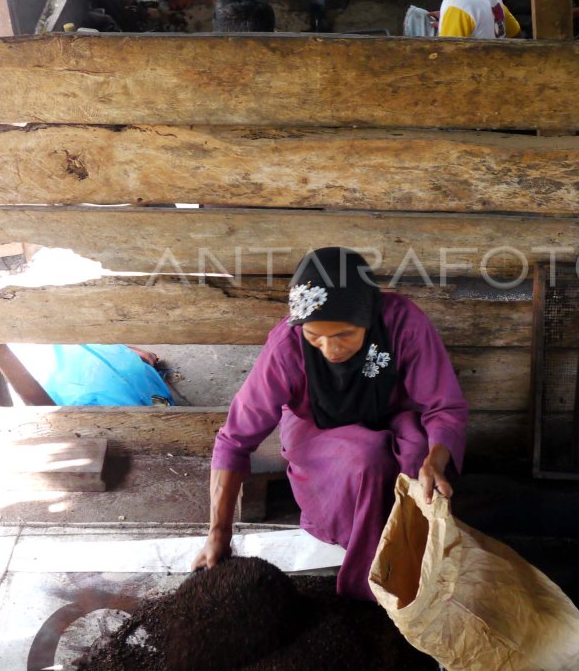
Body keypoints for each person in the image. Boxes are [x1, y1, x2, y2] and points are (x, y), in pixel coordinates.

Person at [192, 247, 468, 601]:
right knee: (366, 459)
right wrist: (218, 535)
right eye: (314, 337)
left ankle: (412, 547)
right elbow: (235, 440)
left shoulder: (402, 322)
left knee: (416, 448)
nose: (329, 349)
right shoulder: (286, 348)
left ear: (368, 314)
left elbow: (444, 406)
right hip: (316, 428)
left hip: (390, 413)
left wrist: (436, 460)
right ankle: (369, 576)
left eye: (343, 335)